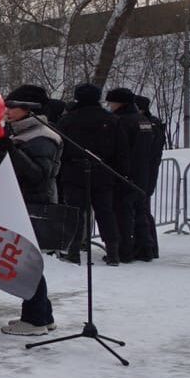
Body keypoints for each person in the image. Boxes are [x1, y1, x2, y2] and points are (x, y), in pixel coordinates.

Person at [0, 86, 63, 336]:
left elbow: (37, 175)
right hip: (21, 203)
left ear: (30, 109)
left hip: (33, 205)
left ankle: (34, 320)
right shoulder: (22, 134)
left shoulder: (41, 136)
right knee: (27, 261)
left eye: (12, 105)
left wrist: (8, 149)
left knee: (27, 263)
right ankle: (42, 315)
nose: (7, 110)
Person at [55, 83, 127, 266]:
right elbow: (121, 150)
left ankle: (74, 252)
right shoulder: (111, 120)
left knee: (76, 213)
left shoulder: (68, 120)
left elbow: (61, 147)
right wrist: (120, 172)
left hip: (74, 171)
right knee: (105, 212)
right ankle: (113, 252)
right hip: (103, 171)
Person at [103, 88, 145, 260]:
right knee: (141, 211)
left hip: (123, 174)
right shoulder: (143, 121)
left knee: (122, 213)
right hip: (142, 173)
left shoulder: (121, 121)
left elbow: (119, 149)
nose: (108, 105)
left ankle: (124, 250)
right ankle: (146, 248)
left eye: (111, 102)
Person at [131, 95, 167, 259]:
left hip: (143, 172)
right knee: (143, 208)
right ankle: (149, 246)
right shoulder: (154, 124)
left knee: (141, 209)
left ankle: (146, 246)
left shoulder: (147, 125)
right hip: (148, 172)